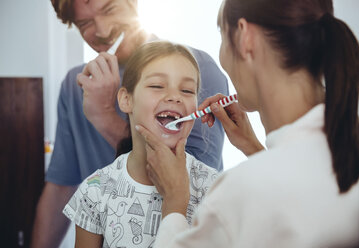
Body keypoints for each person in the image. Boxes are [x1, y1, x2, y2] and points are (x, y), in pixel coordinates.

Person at [135, 0, 359, 247]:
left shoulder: (238, 195)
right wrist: (254, 150)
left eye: (222, 36)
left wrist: (173, 204)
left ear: (245, 37)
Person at [31, 0, 228, 247]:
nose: (102, 31)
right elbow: (61, 186)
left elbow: (185, 178)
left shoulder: (195, 68)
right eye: (85, 23)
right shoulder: (75, 86)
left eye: (109, 9)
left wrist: (104, 115)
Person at [62, 41, 219, 248]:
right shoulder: (95, 191)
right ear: (126, 100)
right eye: (157, 86)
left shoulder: (215, 189)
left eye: (188, 91)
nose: (174, 97)